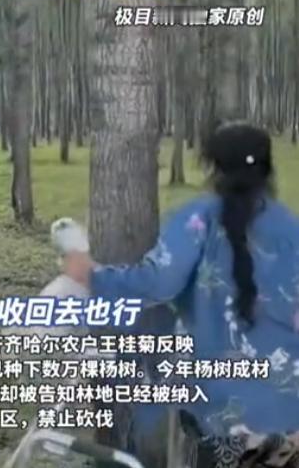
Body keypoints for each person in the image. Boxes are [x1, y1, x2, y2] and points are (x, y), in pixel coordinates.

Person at [63, 123, 299, 468]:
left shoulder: (197, 221)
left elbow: (158, 282)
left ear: (213, 166)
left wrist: (93, 276)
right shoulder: (290, 228)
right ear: (268, 167)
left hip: (218, 407)